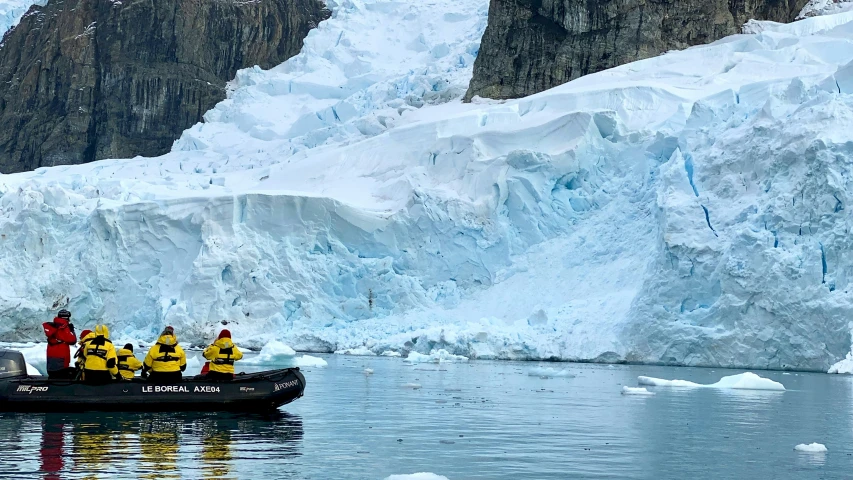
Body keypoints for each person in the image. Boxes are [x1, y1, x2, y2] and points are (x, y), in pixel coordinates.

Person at [42, 309, 77, 379]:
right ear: (66, 318)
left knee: (53, 373)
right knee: (61, 376)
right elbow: (73, 340)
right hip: (61, 356)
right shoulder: (64, 328)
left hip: (51, 354)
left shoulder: (53, 327)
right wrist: (72, 331)